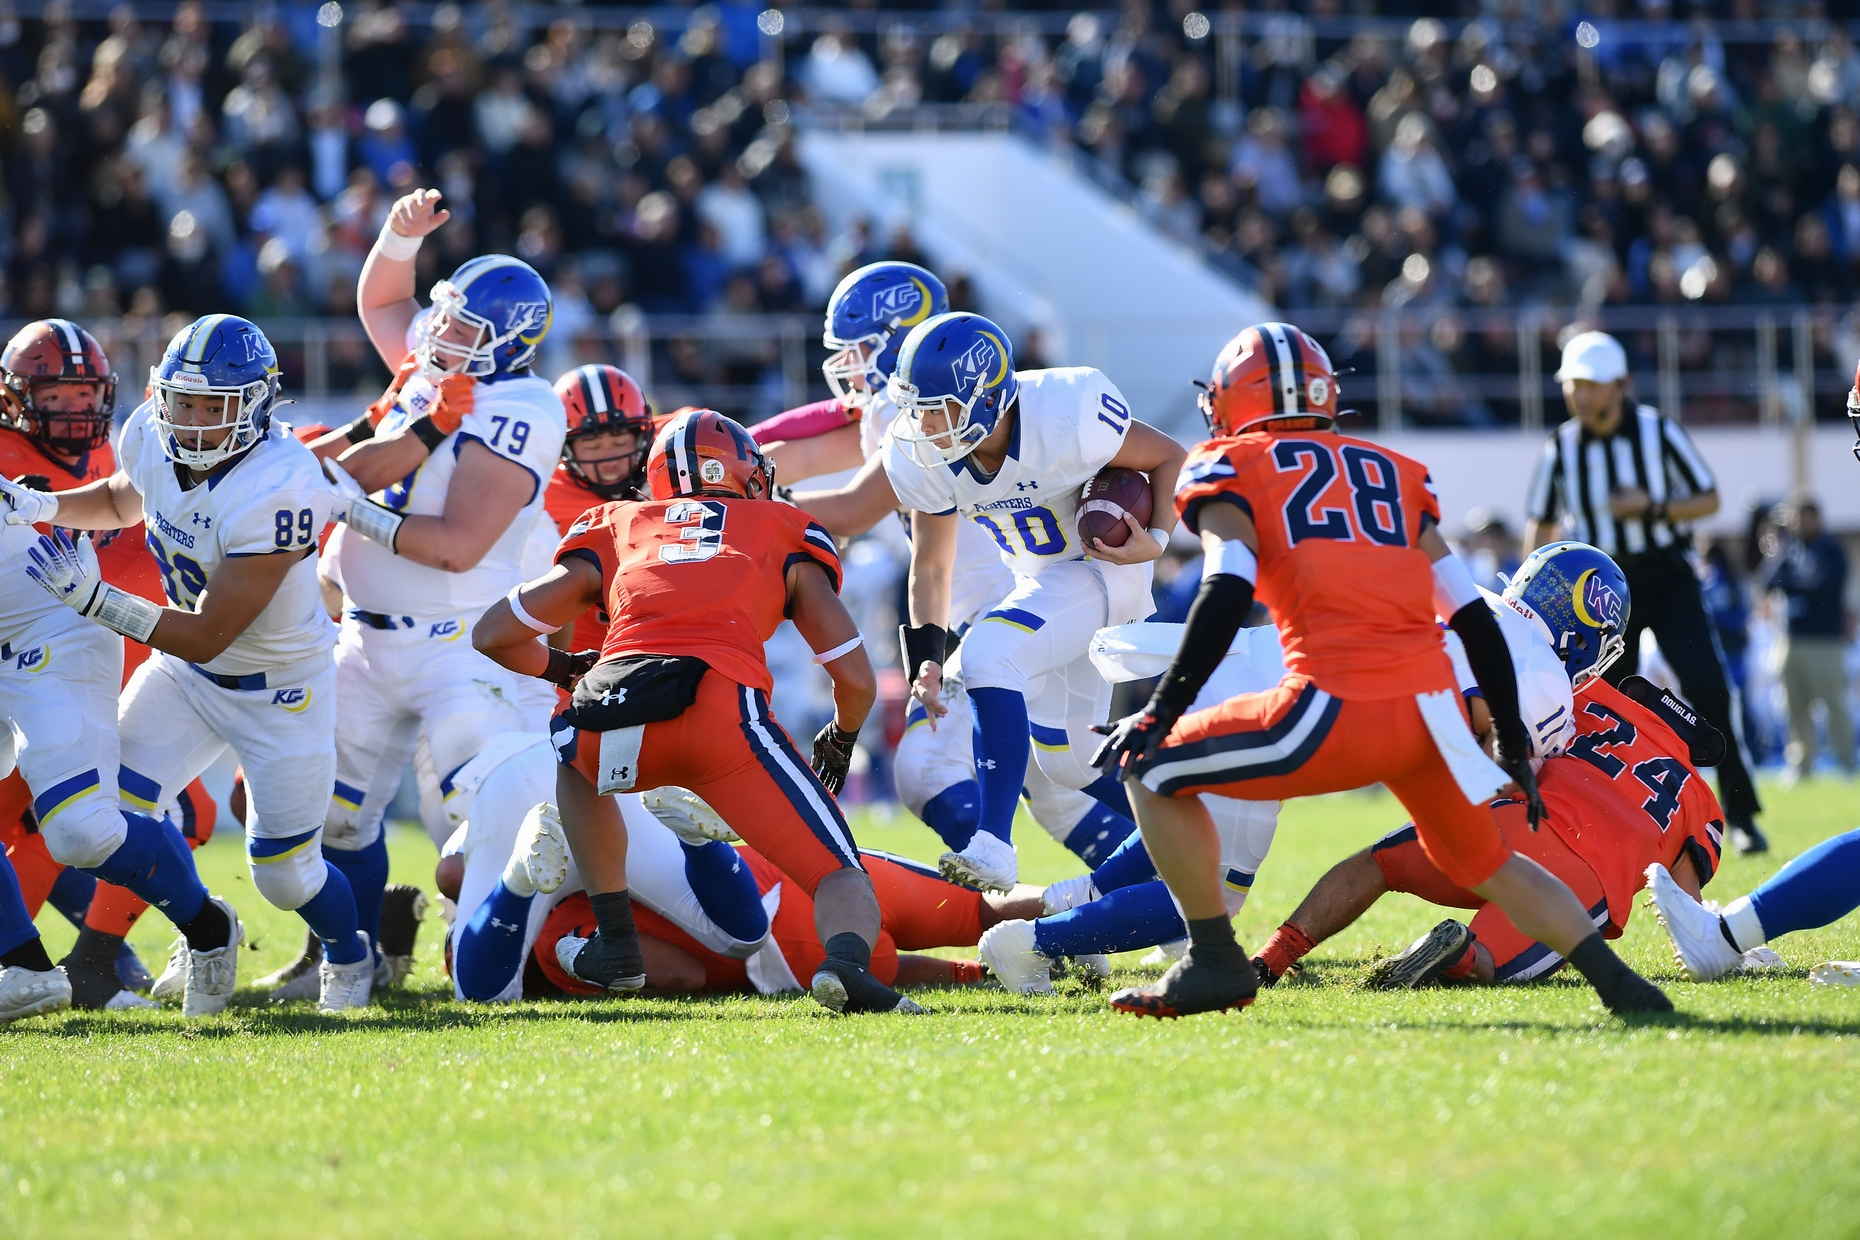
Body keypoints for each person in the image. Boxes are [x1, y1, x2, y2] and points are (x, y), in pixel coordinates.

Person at [1093, 321, 1671, 1019]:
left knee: (1150, 767)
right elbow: (1471, 614)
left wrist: (1163, 709)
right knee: (1492, 864)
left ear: (1236, 400)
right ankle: (1625, 988)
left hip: (1331, 702)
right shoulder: (1392, 473)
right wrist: (1514, 741)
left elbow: (1225, 594)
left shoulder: (1230, 464)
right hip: (1427, 717)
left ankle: (1215, 960)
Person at [473, 409, 913, 1015]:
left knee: (574, 758)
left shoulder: (614, 522)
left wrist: (564, 670)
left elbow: (493, 632)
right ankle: (845, 967)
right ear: (741, 472)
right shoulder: (782, 525)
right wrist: (841, 737)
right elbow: (855, 675)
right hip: (721, 712)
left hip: (614, 706)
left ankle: (617, 942)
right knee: (839, 871)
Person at [5, 315, 355, 1012]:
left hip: (275, 683)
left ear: (256, 404)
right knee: (101, 816)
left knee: (285, 874)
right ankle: (201, 930)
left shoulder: (279, 483)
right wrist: (44, 503)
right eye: (183, 401)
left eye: (213, 405)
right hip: (186, 675)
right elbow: (118, 498)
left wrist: (98, 600)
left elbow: (211, 634)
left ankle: (350, 957)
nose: (192, 420)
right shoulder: (150, 432)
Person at [757, 263, 1137, 869]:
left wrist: (749, 502)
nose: (848, 364)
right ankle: (1160, 895)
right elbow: (799, 450)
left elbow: (854, 506)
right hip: (1004, 598)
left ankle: (1024, 902)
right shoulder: (901, 412)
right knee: (1055, 787)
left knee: (927, 769)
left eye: (858, 348)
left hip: (996, 607)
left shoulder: (903, 412)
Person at [1260, 545, 1730, 988]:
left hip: (1342, 703)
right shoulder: (1691, 790)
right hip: (1582, 875)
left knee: (1377, 863)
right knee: (1492, 960)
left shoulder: (1588, 695)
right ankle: (1462, 954)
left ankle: (1272, 957)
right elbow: (1684, 907)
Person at [307, 187, 567, 979]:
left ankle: (494, 959)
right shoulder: (436, 371)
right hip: (364, 636)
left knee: (484, 818)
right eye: (444, 318)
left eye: (463, 329)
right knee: (329, 818)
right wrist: (397, 235)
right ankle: (355, 962)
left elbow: (456, 547)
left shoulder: (518, 404)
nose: (440, 334)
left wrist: (348, 509)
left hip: (458, 645)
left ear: (508, 345)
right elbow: (384, 300)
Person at [884, 312, 1187, 892]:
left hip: (1101, 571)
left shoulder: (1067, 411)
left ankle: (993, 844)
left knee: (989, 654)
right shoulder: (925, 457)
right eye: (915, 406)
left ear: (984, 397)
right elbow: (930, 564)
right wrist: (924, 650)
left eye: (936, 407)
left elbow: (1168, 454)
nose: (919, 422)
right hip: (1040, 579)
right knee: (1069, 763)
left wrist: (1161, 537)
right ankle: (1191, 815)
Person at [0, 318, 220, 1010]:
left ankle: (200, 927)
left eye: (84, 394)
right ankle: (29, 966)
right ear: (14, 397)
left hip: (60, 640)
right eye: (56, 396)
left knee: (80, 828)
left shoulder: (130, 448)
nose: (75, 411)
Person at [1522, 331, 1766, 854]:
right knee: (1601, 702)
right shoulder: (1560, 445)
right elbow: (1539, 525)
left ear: (1620, 385)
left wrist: (1653, 509)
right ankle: (1604, 820)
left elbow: (1709, 498)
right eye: (1572, 386)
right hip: (1598, 593)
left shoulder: (1657, 430)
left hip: (1668, 576)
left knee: (1709, 688)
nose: (1578, 396)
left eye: (1589, 385)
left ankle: (1741, 814)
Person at [1759, 497, 1853, 781]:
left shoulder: (1831, 550)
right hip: (1790, 638)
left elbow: (1821, 587)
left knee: (1833, 704)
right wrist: (1780, 552)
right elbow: (1766, 580)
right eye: (1796, 517)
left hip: (1823, 641)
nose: (1800, 523)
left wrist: (1791, 584)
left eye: (1805, 517)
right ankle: (1801, 764)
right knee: (1793, 706)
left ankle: (1846, 762)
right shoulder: (1790, 549)